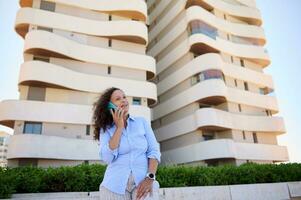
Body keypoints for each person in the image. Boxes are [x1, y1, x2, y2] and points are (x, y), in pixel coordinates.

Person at [92, 87, 161, 200]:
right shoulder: (106, 129)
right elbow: (107, 158)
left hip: (143, 181)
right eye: (118, 99)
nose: (124, 100)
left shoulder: (141, 122)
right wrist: (119, 128)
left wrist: (150, 178)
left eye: (124, 97)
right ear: (110, 105)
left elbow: (154, 151)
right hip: (114, 185)